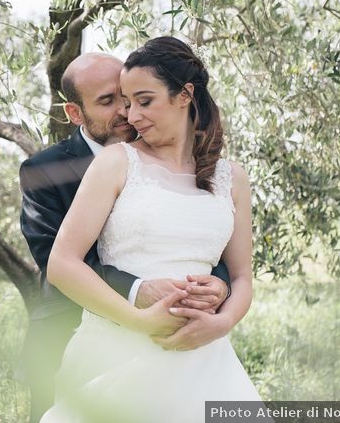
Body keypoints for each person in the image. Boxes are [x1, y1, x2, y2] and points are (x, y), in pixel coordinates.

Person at [39, 38, 264, 422]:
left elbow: (243, 276)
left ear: (184, 95)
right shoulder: (116, 163)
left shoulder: (232, 179)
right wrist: (139, 321)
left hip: (204, 362)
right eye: (126, 102)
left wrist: (222, 322)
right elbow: (62, 263)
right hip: (117, 352)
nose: (132, 115)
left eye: (144, 101)